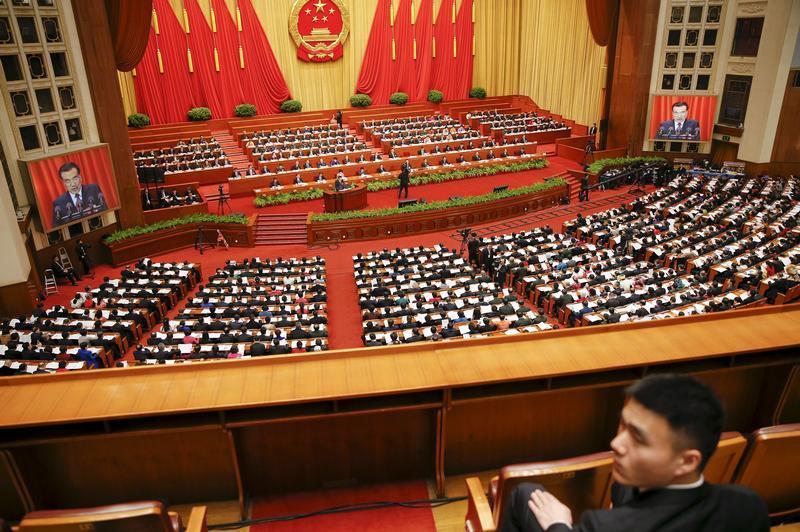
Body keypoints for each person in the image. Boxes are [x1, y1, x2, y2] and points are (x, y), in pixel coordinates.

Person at [503, 374, 769, 532]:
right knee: (623, 488)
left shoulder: (604, 526)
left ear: (687, 461)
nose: (616, 444)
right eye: (623, 425)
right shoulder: (748, 505)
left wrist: (559, 526)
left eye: (638, 437)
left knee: (524, 494)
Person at [51, 162, 108, 227]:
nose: (73, 184)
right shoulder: (58, 203)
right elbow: (56, 227)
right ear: (63, 183)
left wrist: (96, 211)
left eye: (75, 178)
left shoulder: (93, 189)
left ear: (80, 177)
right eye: (67, 181)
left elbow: (105, 210)